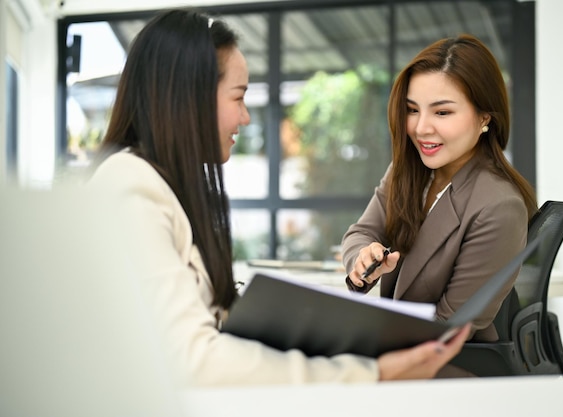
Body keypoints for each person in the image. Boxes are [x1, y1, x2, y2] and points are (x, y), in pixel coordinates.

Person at [88, 8, 469, 387]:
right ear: (189, 97)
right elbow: (194, 360)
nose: (245, 118)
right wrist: (371, 374)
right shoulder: (129, 186)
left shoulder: (161, 186)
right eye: (238, 98)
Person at [342, 34, 537, 376]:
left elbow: (449, 326)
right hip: (405, 353)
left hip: (453, 369)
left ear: (484, 118)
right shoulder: (409, 170)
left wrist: (355, 337)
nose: (421, 128)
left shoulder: (498, 206)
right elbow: (362, 231)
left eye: (442, 111)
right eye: (412, 110)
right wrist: (362, 259)